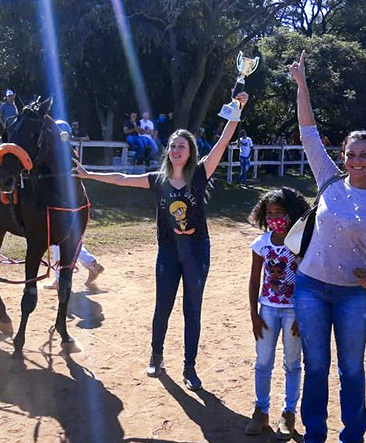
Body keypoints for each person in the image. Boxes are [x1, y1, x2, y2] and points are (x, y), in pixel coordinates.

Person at [74, 92, 250, 391]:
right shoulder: (158, 180)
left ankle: (190, 367)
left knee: (192, 309)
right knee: (163, 307)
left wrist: (238, 109)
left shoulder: (200, 174)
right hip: (168, 251)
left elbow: (222, 142)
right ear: (168, 151)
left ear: (190, 152)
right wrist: (90, 175)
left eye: (182, 146)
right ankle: (156, 356)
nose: (176, 150)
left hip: (197, 250)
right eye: (173, 146)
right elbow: (121, 178)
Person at [289, 50, 366, 443]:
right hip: (311, 287)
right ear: (343, 156)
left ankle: (351, 442)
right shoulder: (328, 179)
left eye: (365, 155)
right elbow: (308, 133)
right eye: (351, 154)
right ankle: (313, 437)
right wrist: (302, 85)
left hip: (355, 294)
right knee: (316, 366)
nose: (357, 161)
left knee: (352, 370)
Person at [244, 187, 310, 439]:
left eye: (279, 212)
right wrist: (254, 314)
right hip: (267, 311)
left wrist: (303, 314)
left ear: (292, 213)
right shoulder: (262, 244)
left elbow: (307, 279)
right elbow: (254, 280)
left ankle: (289, 412)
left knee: (292, 363)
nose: (274, 218)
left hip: (294, 311)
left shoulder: (300, 243)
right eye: (269, 213)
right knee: (263, 362)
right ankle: (260, 410)